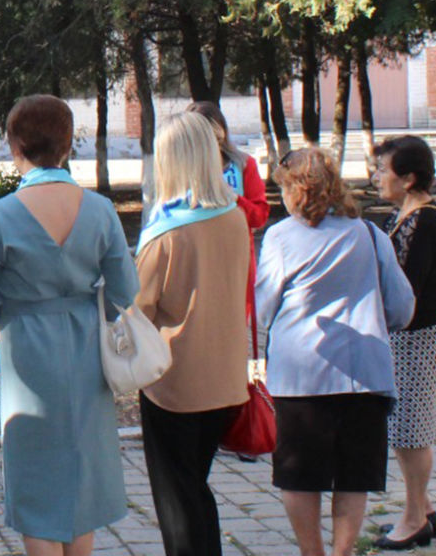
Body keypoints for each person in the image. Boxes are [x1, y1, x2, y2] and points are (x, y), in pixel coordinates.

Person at [0, 95, 137, 556]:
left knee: (35, 474)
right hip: (85, 347)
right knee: (83, 469)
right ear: (66, 145)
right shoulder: (101, 210)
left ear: (15, 144)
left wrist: (10, 314)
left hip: (27, 349)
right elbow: (125, 289)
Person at [256, 148, 415, 556]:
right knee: (353, 475)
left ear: (293, 189)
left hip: (301, 373)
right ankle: (343, 552)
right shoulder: (368, 234)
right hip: (364, 373)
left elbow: (265, 307)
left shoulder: (280, 237)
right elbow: (401, 305)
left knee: (298, 476)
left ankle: (313, 553)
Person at [135, 114, 252, 556]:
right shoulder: (235, 217)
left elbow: (136, 310)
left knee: (176, 499)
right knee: (196, 489)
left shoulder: (166, 232)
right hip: (226, 378)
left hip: (174, 382)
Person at [371, 136, 436, 550]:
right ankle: (425, 507)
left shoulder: (426, 221)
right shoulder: (400, 215)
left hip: (418, 337)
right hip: (401, 337)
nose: (377, 177)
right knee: (404, 426)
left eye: (384, 170)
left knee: (411, 431)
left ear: (409, 178)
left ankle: (415, 518)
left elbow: (407, 289)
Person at [183, 101, 269, 232]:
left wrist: (233, 198)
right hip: (198, 248)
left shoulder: (243, 164)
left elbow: (259, 218)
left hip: (237, 248)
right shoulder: (181, 168)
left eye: (210, 136)